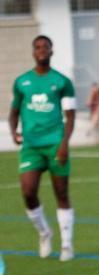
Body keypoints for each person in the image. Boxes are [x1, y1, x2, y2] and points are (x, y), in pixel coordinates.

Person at [9, 35, 76, 262]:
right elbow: (14, 111)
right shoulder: (22, 82)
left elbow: (70, 115)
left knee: (61, 193)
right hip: (31, 147)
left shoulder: (62, 82)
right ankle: (44, 232)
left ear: (51, 51)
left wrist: (64, 144)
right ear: (33, 52)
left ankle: (67, 245)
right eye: (37, 47)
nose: (41, 50)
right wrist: (13, 132)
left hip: (56, 144)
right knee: (28, 193)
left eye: (45, 47)